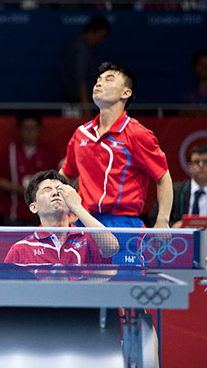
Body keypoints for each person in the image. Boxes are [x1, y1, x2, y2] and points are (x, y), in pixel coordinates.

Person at [60, 62, 173, 265]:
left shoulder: (138, 134)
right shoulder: (81, 134)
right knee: (81, 289)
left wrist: (163, 220)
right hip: (85, 223)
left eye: (108, 79)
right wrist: (62, 211)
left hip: (124, 226)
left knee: (123, 289)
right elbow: (66, 175)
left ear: (126, 92)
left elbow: (163, 177)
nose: (99, 84)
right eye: (98, 80)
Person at [4, 170, 119, 265]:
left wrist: (77, 207)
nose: (56, 193)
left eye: (60, 189)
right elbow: (8, 290)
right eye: (47, 190)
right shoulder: (20, 250)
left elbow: (112, 247)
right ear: (34, 207)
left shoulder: (88, 239)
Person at [0, 115, 61, 225]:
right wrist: (21, 190)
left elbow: (59, 179)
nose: (30, 132)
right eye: (26, 128)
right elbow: (0, 181)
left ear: (39, 130)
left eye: (33, 128)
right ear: (19, 130)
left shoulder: (49, 152)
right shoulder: (10, 152)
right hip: (15, 215)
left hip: (44, 215)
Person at [61, 15, 111, 105]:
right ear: (92, 31)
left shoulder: (86, 48)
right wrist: (86, 107)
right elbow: (81, 80)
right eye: (102, 36)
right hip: (79, 102)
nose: (102, 40)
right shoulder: (82, 50)